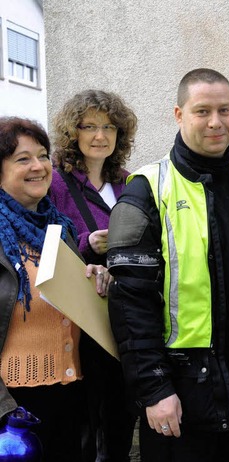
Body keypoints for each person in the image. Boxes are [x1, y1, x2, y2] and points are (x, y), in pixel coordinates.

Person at [106, 68, 229, 462]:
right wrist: (154, 391)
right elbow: (129, 304)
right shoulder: (146, 190)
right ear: (178, 114)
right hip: (184, 387)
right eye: (202, 111)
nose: (216, 122)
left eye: (225, 110)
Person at [0, 117, 111, 460]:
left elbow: (69, 305)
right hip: (14, 409)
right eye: (23, 159)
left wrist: (94, 279)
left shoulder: (58, 229)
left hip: (71, 394)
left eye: (43, 155)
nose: (38, 166)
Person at [48, 90, 138, 461]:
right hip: (79, 321)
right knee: (86, 423)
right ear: (73, 133)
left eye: (109, 127)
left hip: (123, 315)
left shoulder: (131, 183)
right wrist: (88, 244)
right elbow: (44, 242)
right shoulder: (55, 182)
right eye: (89, 126)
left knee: (120, 415)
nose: (100, 135)